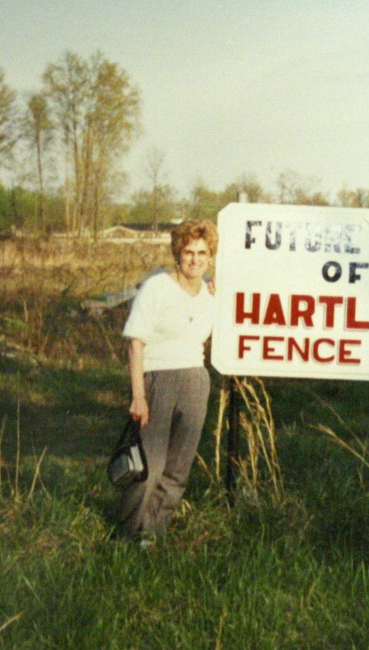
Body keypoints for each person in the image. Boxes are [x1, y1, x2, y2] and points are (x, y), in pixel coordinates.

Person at [115, 220, 219, 543]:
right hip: (158, 378)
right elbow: (136, 343)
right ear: (178, 253)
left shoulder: (210, 293)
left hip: (195, 380)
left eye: (202, 252)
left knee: (178, 469)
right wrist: (138, 396)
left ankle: (153, 534)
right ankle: (127, 535)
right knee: (149, 466)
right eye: (188, 252)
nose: (195, 259)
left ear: (210, 256)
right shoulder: (157, 287)